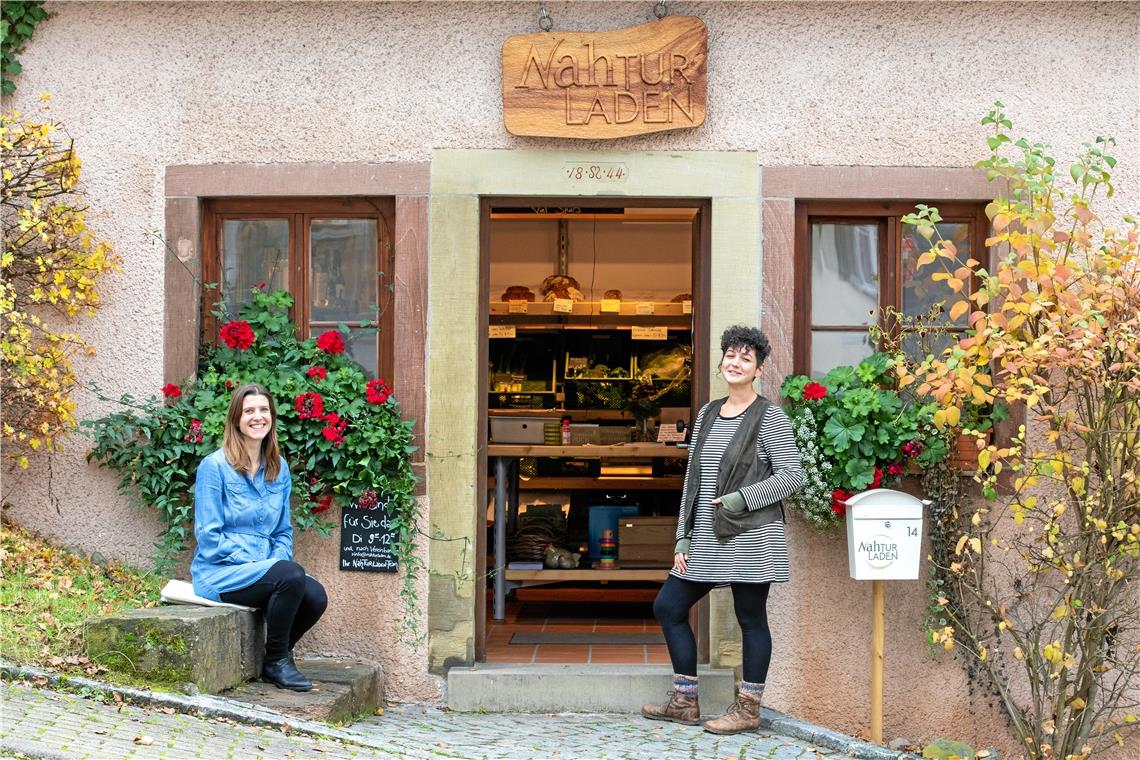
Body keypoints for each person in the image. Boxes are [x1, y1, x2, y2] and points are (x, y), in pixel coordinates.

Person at [642, 325, 804, 734]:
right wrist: (683, 535)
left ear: (758, 369)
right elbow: (693, 481)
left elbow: (793, 475)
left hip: (752, 534)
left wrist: (741, 498)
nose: (735, 363)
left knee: (750, 618)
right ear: (721, 361)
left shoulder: (770, 417)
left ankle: (748, 709)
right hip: (707, 533)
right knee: (669, 606)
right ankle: (684, 700)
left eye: (745, 358)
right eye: (730, 355)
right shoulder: (708, 414)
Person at [190, 383, 328, 692]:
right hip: (220, 572)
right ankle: (277, 662)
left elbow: (282, 531)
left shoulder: (279, 469)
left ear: (272, 417)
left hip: (264, 570)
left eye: (263, 410)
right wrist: (262, 564)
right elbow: (208, 536)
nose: (257, 417)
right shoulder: (214, 467)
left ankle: (275, 653)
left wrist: (273, 561)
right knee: (288, 573)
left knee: (315, 595)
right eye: (249, 411)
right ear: (236, 419)